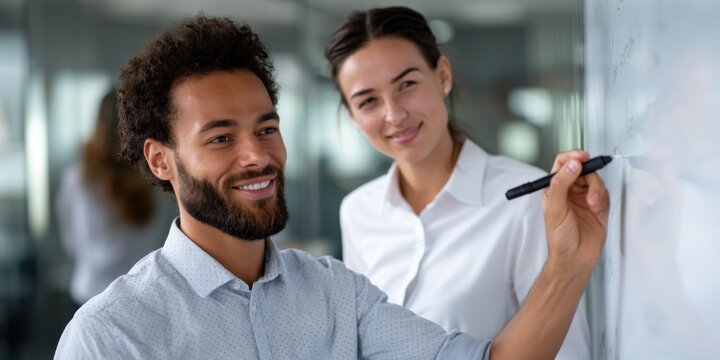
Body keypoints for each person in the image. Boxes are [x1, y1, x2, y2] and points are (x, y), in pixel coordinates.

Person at [54, 15, 609, 360]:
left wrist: (569, 260)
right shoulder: (111, 337)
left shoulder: (334, 292)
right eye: (221, 138)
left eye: (266, 128)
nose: (257, 156)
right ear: (161, 160)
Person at [323, 6, 590, 358]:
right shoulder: (358, 211)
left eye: (406, 84)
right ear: (353, 115)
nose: (394, 114)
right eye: (368, 101)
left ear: (443, 76)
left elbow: (567, 351)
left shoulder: (527, 197)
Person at [55, 89, 169, 310]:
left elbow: (69, 234)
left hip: (92, 290)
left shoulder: (79, 177)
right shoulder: (154, 170)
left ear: (98, 122)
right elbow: (159, 232)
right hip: (140, 291)